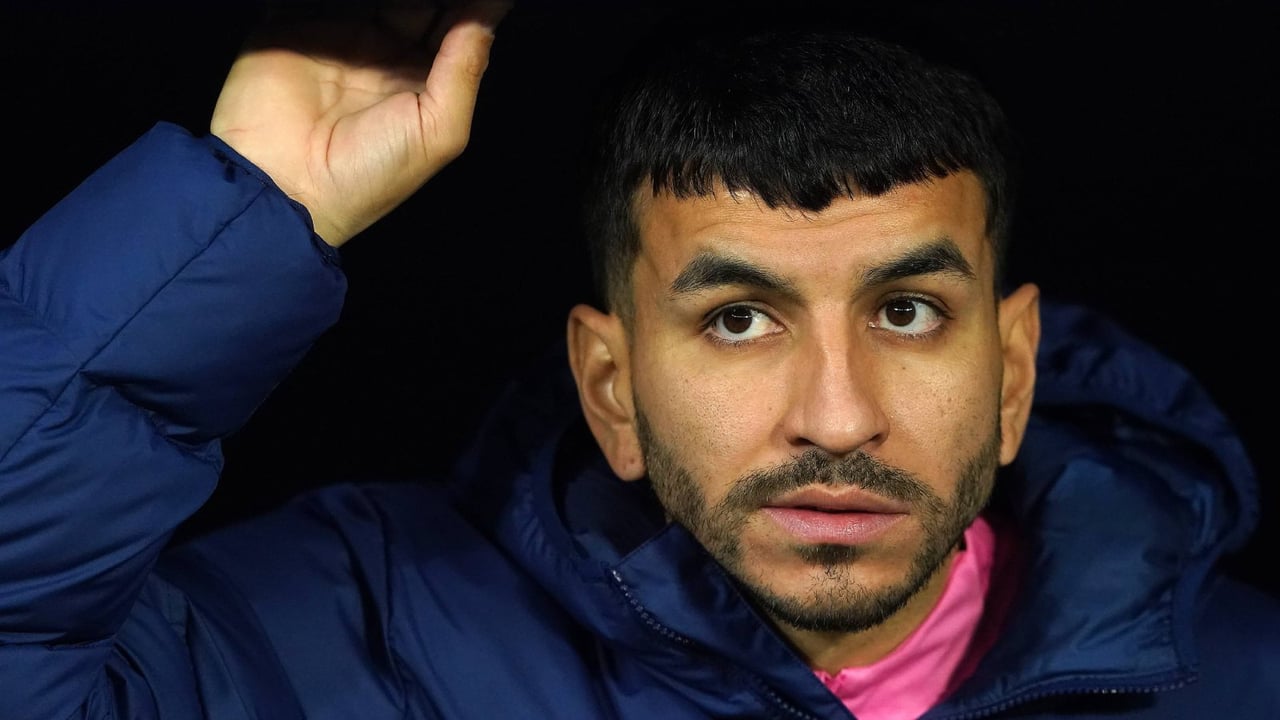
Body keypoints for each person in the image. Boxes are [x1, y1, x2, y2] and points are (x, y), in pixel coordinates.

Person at [2, 2, 1277, 719]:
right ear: (610, 389)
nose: (837, 417)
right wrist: (246, 201)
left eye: (903, 312)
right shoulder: (358, 637)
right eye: (738, 320)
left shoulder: (1240, 679)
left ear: (1010, 372)